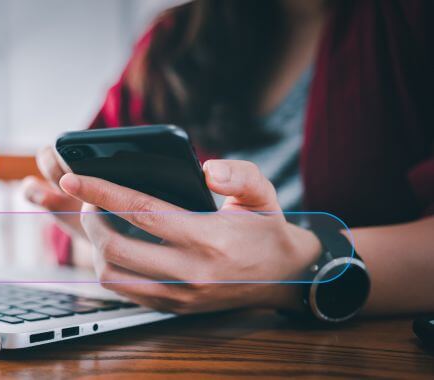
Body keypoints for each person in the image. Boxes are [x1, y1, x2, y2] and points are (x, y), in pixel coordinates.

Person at [22, 0, 434, 317]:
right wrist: (115, 248)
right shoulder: (173, 42)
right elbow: (63, 215)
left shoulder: (409, 20)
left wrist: (294, 267)